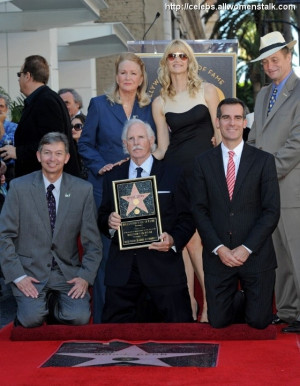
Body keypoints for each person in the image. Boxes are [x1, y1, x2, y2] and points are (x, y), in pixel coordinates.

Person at [78, 52, 156, 323]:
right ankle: (101, 322)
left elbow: (155, 144)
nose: (128, 78)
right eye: (123, 72)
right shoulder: (99, 105)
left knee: (140, 257)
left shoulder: (149, 107)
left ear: (141, 77)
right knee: (105, 256)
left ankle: (139, 321)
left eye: (133, 73)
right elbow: (85, 143)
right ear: (116, 76)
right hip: (104, 190)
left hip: (140, 191)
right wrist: (101, 166)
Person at [191, 98, 280, 329]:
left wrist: (246, 248)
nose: (232, 122)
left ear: (244, 122)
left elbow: (271, 211)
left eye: (237, 117)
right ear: (218, 122)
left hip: (256, 254)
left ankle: (249, 301)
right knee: (218, 322)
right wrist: (219, 248)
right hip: (219, 255)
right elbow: (199, 210)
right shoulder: (201, 162)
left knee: (259, 322)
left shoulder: (264, 161)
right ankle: (239, 298)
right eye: (226, 117)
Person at [0, 132, 102, 328]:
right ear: (38, 156)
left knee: (79, 318)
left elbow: (93, 243)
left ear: (67, 157)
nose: (52, 159)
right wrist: (18, 276)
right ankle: (39, 307)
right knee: (31, 319)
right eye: (47, 153)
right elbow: (4, 236)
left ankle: (53, 306)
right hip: (30, 272)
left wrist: (84, 278)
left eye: (58, 153)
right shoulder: (19, 187)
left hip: (67, 274)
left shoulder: (83, 190)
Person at [151, 39, 221, 322]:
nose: (177, 59)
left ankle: (208, 302)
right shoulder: (160, 101)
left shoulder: (207, 91)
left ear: (190, 60)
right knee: (185, 240)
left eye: (182, 55)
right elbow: (162, 146)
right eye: (172, 56)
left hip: (205, 174)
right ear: (166, 62)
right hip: (176, 174)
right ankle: (193, 304)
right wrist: (130, 162)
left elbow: (219, 137)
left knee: (195, 240)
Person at [98, 119, 194, 323]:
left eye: (141, 137)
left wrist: (173, 240)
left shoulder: (174, 173)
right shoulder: (112, 176)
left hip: (163, 268)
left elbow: (188, 217)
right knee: (114, 341)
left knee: (180, 338)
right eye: (131, 139)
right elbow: (101, 217)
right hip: (123, 271)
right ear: (124, 144)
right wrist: (109, 221)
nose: (136, 142)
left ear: (152, 140)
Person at [248, 31, 300, 334]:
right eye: (266, 62)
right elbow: (253, 140)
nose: (270, 66)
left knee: (297, 252)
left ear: (288, 57)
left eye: (275, 59)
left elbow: (297, 143)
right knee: (279, 255)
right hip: (268, 191)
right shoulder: (262, 94)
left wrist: (265, 173)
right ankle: (288, 311)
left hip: (292, 189)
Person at [0, 55, 79, 178]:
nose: (18, 79)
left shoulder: (45, 101)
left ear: (28, 76)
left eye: (19, 74)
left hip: (47, 182)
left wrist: (18, 152)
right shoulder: (43, 99)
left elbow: (53, 143)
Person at [0, 94, 17, 184]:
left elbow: (9, 146)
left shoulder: (13, 127)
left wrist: (0, 125)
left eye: (1, 106)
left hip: (9, 171)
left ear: (6, 109)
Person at [71, 114, 88, 180]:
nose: (72, 129)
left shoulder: (92, 149)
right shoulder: (69, 149)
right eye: (71, 126)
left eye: (77, 126)